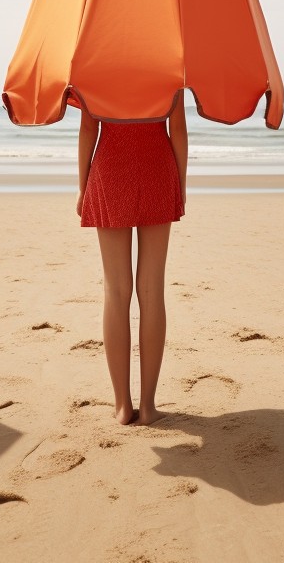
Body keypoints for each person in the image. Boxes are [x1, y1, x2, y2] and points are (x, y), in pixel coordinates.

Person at [77, 95, 188, 426]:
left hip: (110, 169)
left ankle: (123, 406)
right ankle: (148, 406)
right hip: (157, 167)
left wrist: (83, 188)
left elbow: (88, 129)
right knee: (152, 290)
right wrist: (180, 185)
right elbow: (178, 130)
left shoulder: (94, 71)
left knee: (115, 291)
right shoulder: (170, 69)